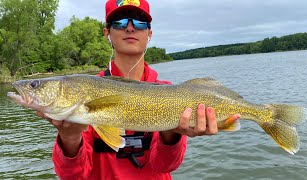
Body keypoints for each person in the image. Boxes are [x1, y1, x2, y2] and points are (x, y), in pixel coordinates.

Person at [37, 0, 240, 179]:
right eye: (120, 22)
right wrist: (70, 137)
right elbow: (73, 176)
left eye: (140, 22)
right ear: (107, 32)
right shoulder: (88, 90)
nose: (130, 28)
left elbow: (165, 166)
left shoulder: (168, 91)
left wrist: (172, 135)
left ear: (149, 34)